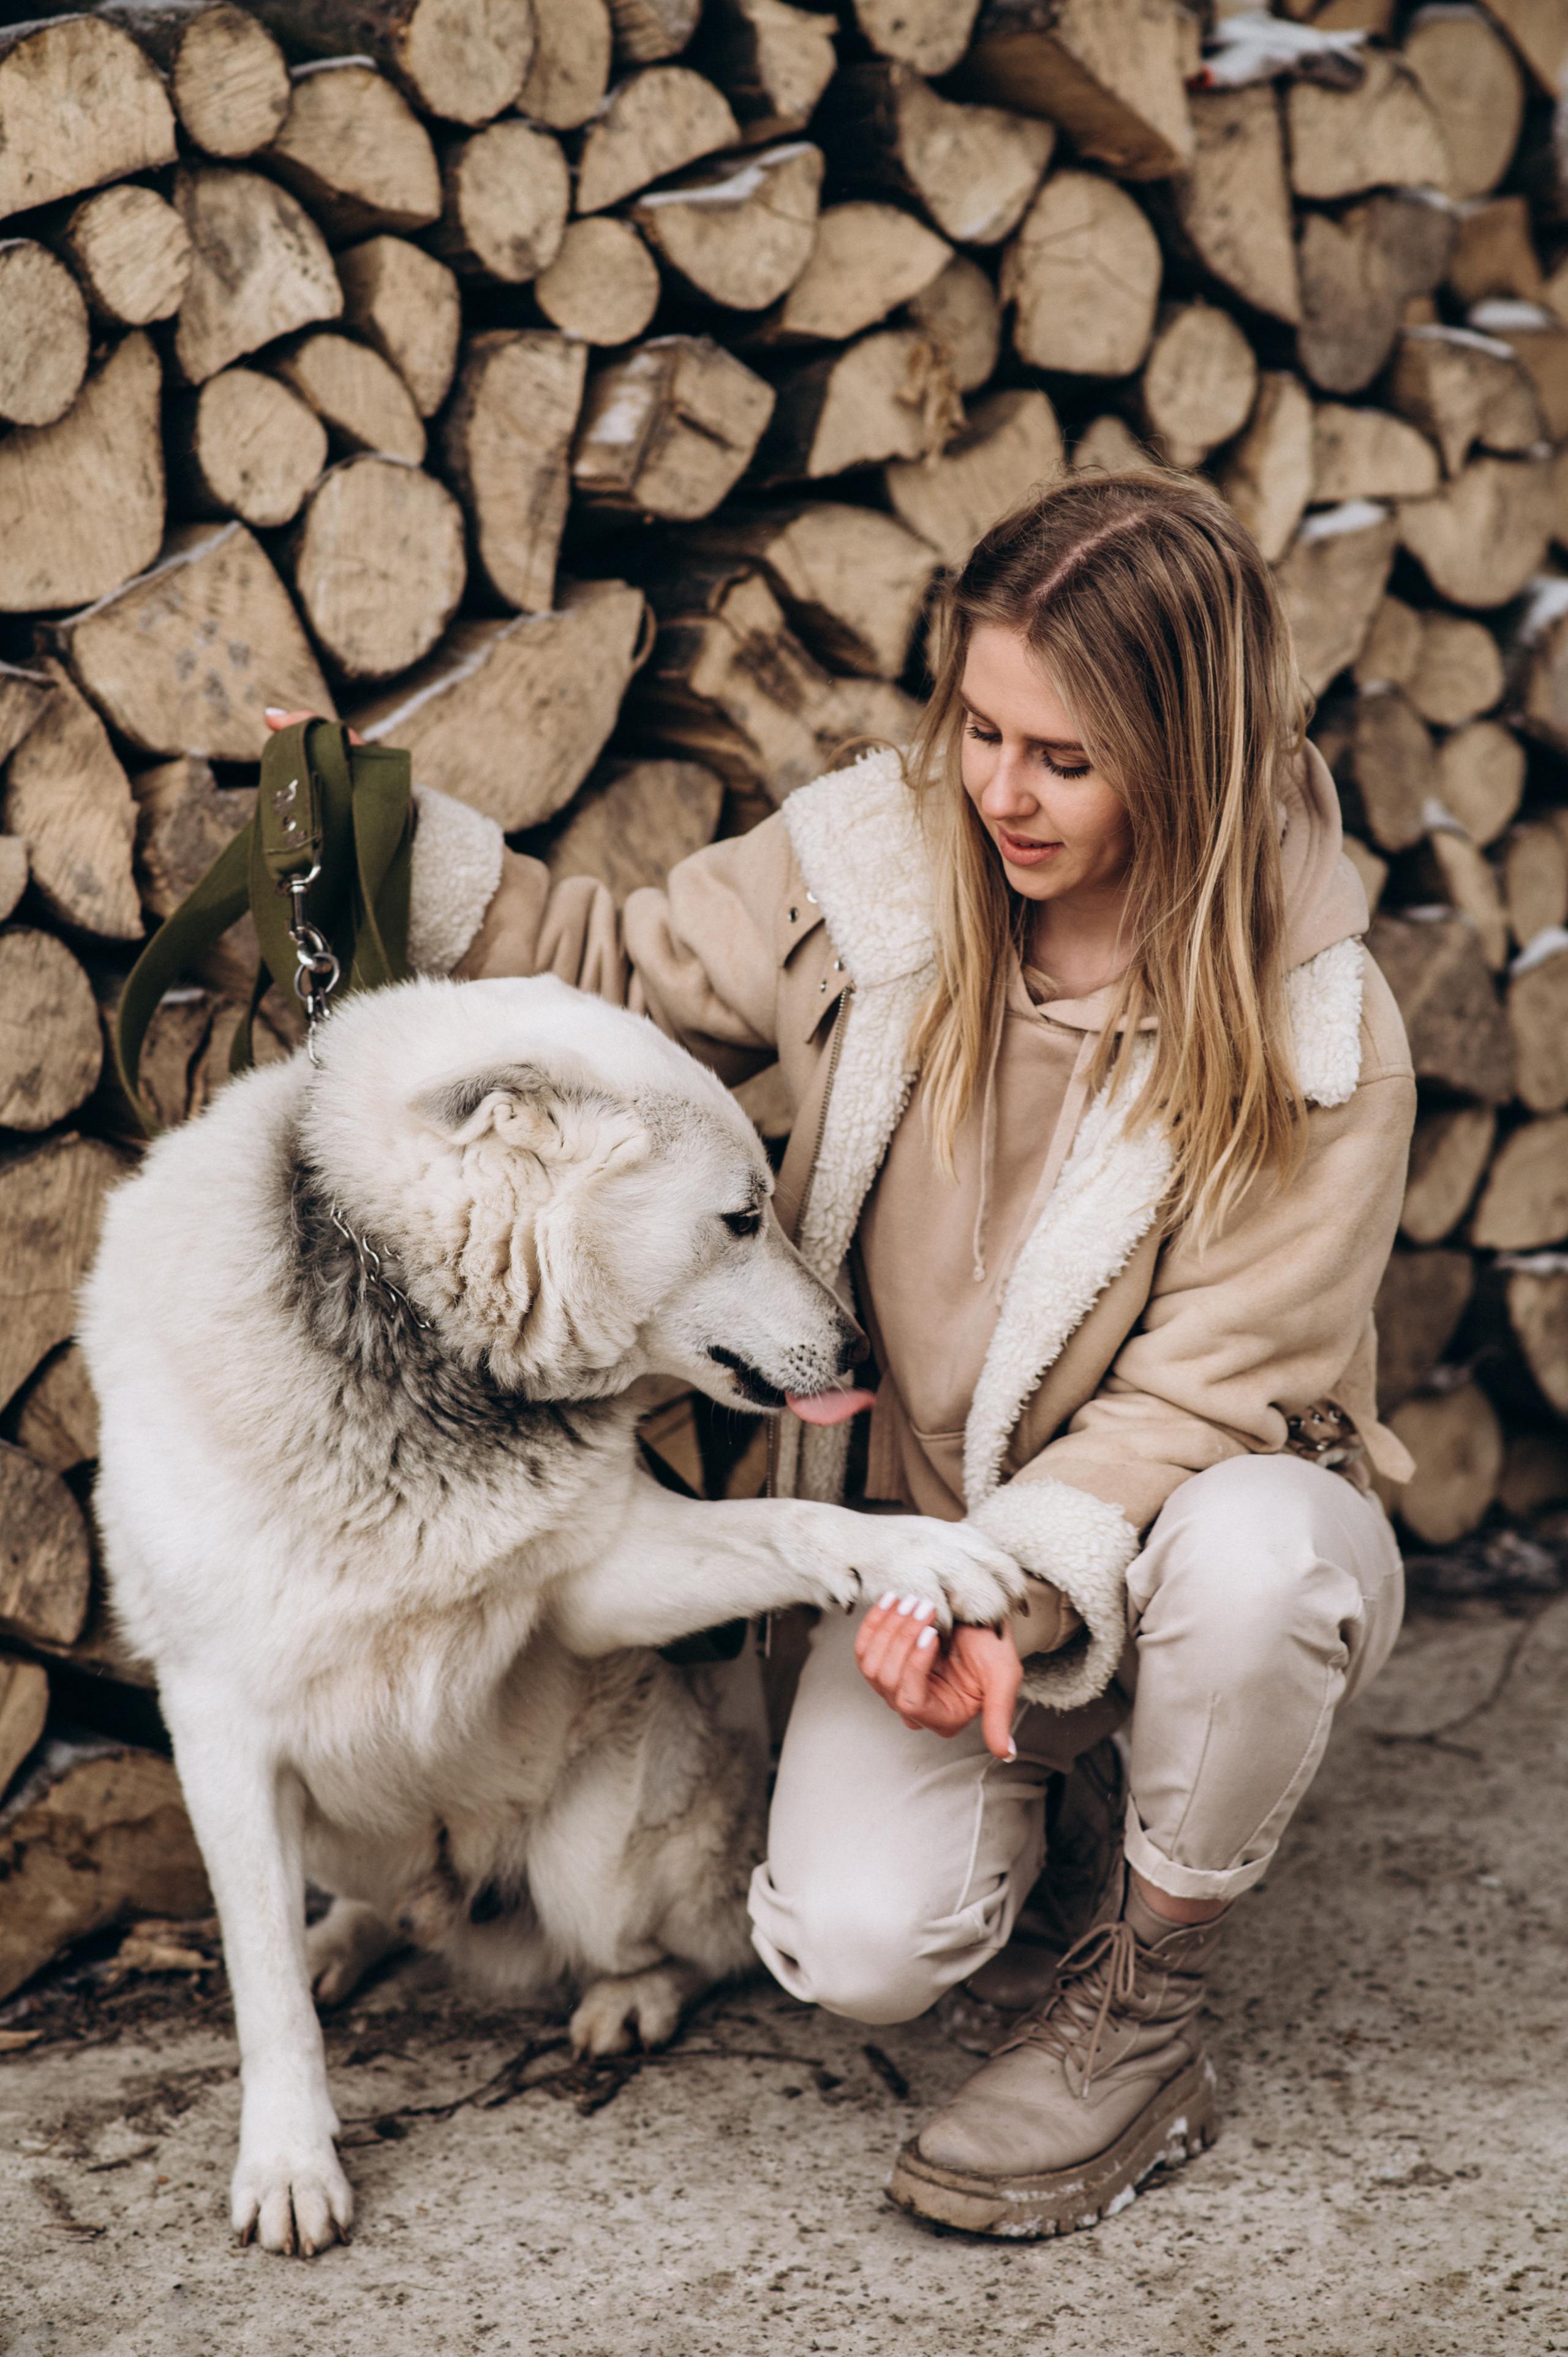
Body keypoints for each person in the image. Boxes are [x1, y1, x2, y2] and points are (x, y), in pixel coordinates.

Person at [268, 466, 1415, 2237]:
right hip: (915, 1557)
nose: (1001, 794)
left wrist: (1024, 1588)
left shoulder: (1314, 1023)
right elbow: (611, 972)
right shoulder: (880, 863)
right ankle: (1070, 1818)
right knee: (858, 1946)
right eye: (978, 726)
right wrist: (364, 836)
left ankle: (1148, 2001)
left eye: (1066, 758)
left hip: (1156, 1527)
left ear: (1181, 757)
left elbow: (1208, 1397)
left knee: (1267, 1561)